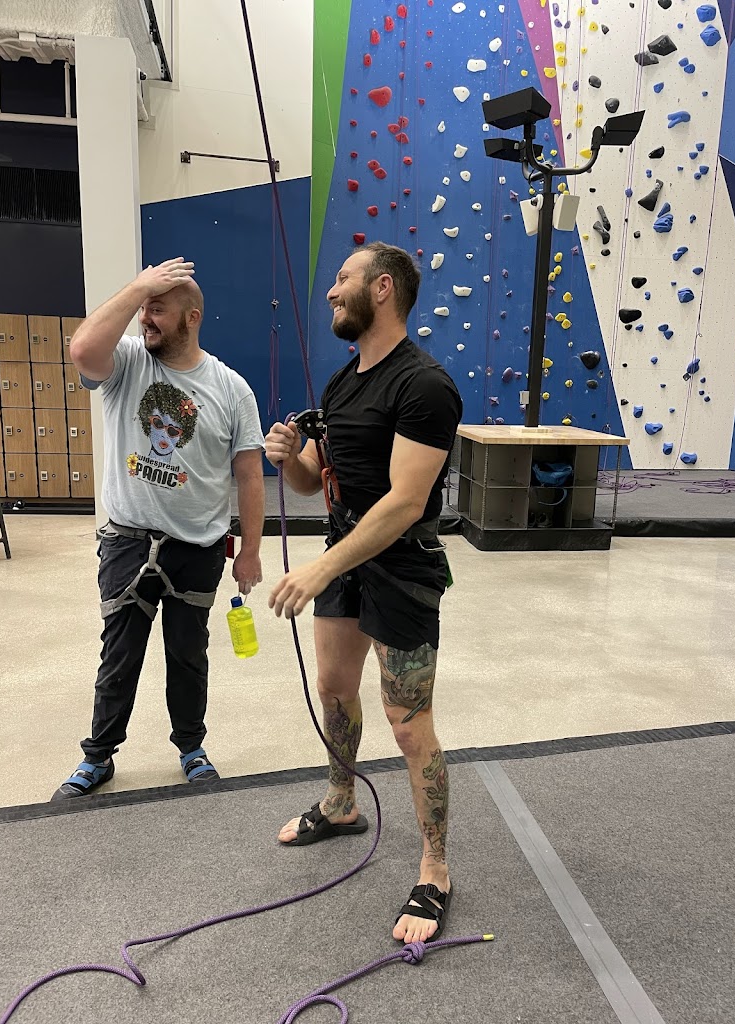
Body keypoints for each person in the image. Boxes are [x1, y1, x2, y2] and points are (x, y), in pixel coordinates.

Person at [264, 242, 463, 944]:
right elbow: (315, 479)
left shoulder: (424, 386)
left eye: (343, 278)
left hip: (403, 570)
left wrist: (321, 568)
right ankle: (341, 801)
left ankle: (435, 868)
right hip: (345, 560)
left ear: (382, 288)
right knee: (333, 687)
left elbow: (406, 502)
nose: (331, 291)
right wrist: (289, 459)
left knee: (408, 721)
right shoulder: (343, 384)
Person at [53, 258, 266, 800]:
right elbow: (82, 350)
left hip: (197, 548)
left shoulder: (231, 389)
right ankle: (98, 756)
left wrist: (251, 551)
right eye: (143, 307)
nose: (145, 318)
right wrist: (140, 287)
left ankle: (191, 748)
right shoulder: (126, 361)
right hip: (128, 542)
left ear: (192, 318)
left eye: (158, 310)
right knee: (119, 654)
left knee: (188, 655)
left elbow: (249, 474)